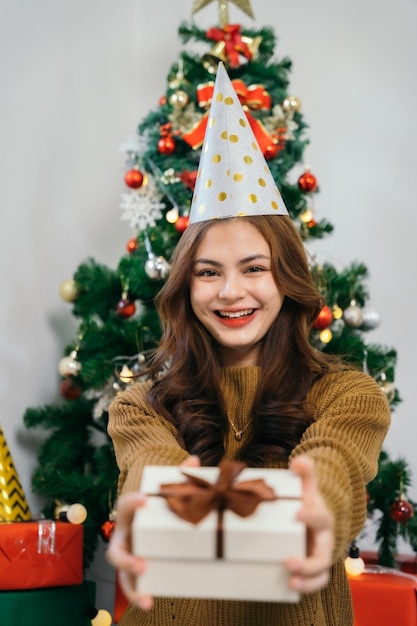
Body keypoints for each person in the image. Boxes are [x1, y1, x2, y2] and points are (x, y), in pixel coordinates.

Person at [106, 63, 391, 626]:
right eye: (208, 272)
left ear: (285, 278)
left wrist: (317, 503)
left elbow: (335, 463)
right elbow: (149, 464)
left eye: (254, 267)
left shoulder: (350, 395)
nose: (231, 291)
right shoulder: (140, 405)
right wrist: (153, 503)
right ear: (186, 288)